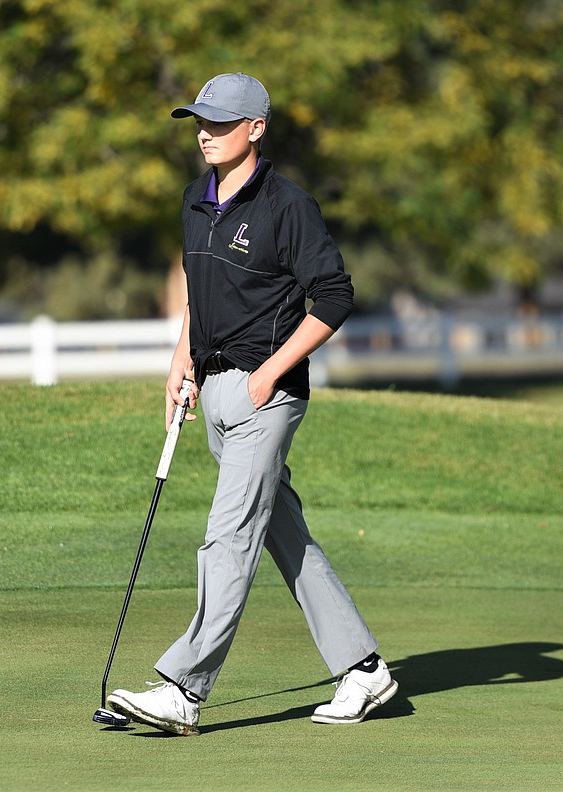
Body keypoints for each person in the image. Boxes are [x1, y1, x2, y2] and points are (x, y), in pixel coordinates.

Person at [105, 73, 396, 735]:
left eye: (219, 122)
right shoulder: (194, 200)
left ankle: (184, 687)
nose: (204, 133)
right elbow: (198, 290)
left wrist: (270, 374)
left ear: (255, 128)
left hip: (267, 394)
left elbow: (336, 297)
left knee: (229, 536)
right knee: (279, 531)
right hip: (212, 389)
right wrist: (182, 358)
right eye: (198, 121)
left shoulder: (288, 206)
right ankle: (364, 669)